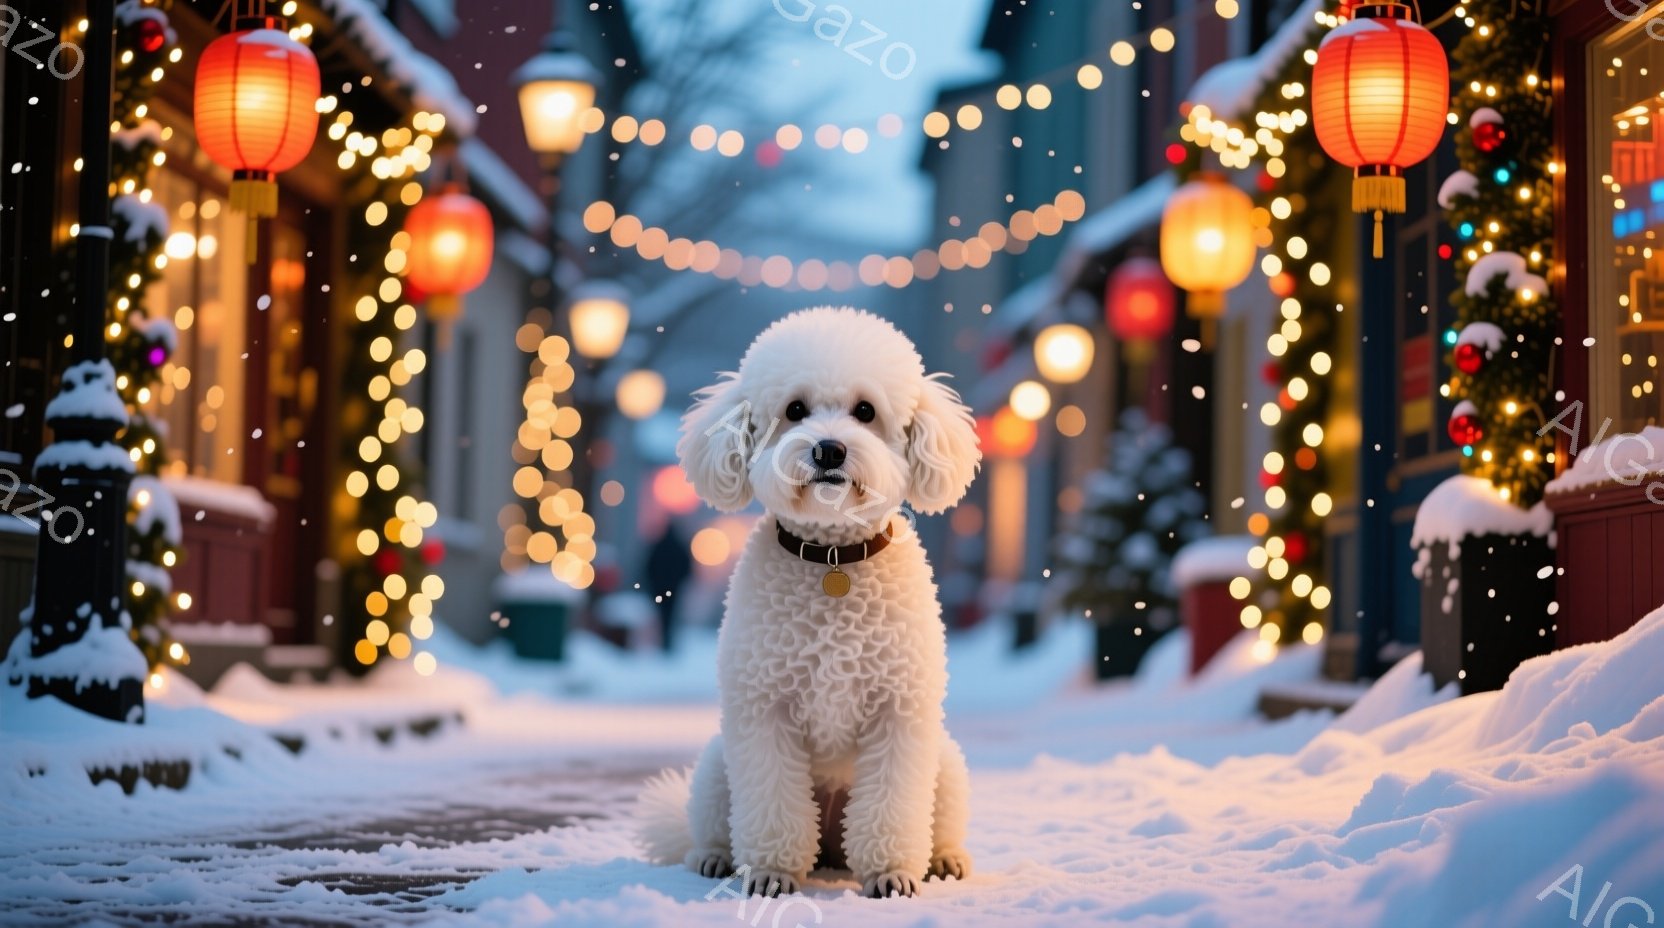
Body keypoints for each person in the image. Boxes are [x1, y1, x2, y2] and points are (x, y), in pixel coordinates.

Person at [645, 521, 692, 652]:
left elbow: (649, 566)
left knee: (661, 614)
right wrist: (680, 581)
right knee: (670, 615)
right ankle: (667, 642)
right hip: (673, 589)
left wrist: (652, 583)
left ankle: (662, 641)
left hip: (658, 588)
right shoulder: (679, 547)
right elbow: (687, 567)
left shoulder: (658, 546)